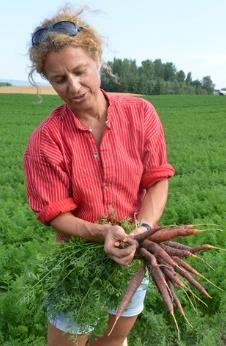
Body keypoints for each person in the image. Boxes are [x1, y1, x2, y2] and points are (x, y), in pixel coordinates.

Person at [24, 6, 175, 346]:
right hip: (78, 263)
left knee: (111, 341)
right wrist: (102, 232)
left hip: (133, 257)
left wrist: (144, 230)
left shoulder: (141, 114)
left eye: (80, 71)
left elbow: (156, 179)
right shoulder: (45, 140)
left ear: (97, 59)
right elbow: (55, 213)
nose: (74, 87)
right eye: (59, 80)